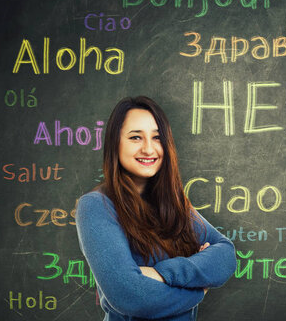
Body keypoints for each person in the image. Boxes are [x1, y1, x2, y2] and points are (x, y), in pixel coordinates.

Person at [75, 96, 236, 320]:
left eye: (157, 137)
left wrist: (162, 274)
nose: (149, 149)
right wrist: (198, 288)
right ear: (115, 143)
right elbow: (131, 297)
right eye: (135, 137)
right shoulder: (96, 205)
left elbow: (226, 255)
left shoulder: (172, 202)